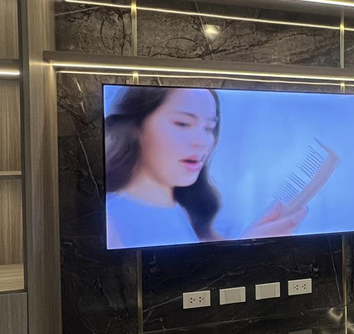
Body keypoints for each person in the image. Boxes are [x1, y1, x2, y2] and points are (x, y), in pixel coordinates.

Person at [104, 86, 306, 248]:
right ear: (136, 126)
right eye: (183, 123)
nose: (203, 142)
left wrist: (250, 243)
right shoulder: (109, 223)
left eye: (209, 128)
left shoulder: (188, 212)